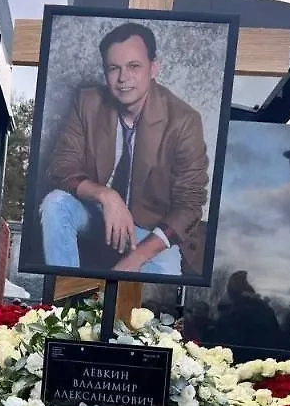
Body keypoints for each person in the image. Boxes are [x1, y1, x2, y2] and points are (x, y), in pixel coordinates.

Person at [40, 22, 209, 276]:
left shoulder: (184, 121)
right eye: (113, 68)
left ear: (154, 68)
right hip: (96, 212)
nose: (123, 78)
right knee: (55, 204)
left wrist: (138, 256)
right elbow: (60, 166)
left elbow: (190, 205)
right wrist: (106, 196)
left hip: (150, 229)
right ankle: (66, 295)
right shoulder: (87, 102)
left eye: (134, 66)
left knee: (167, 273)